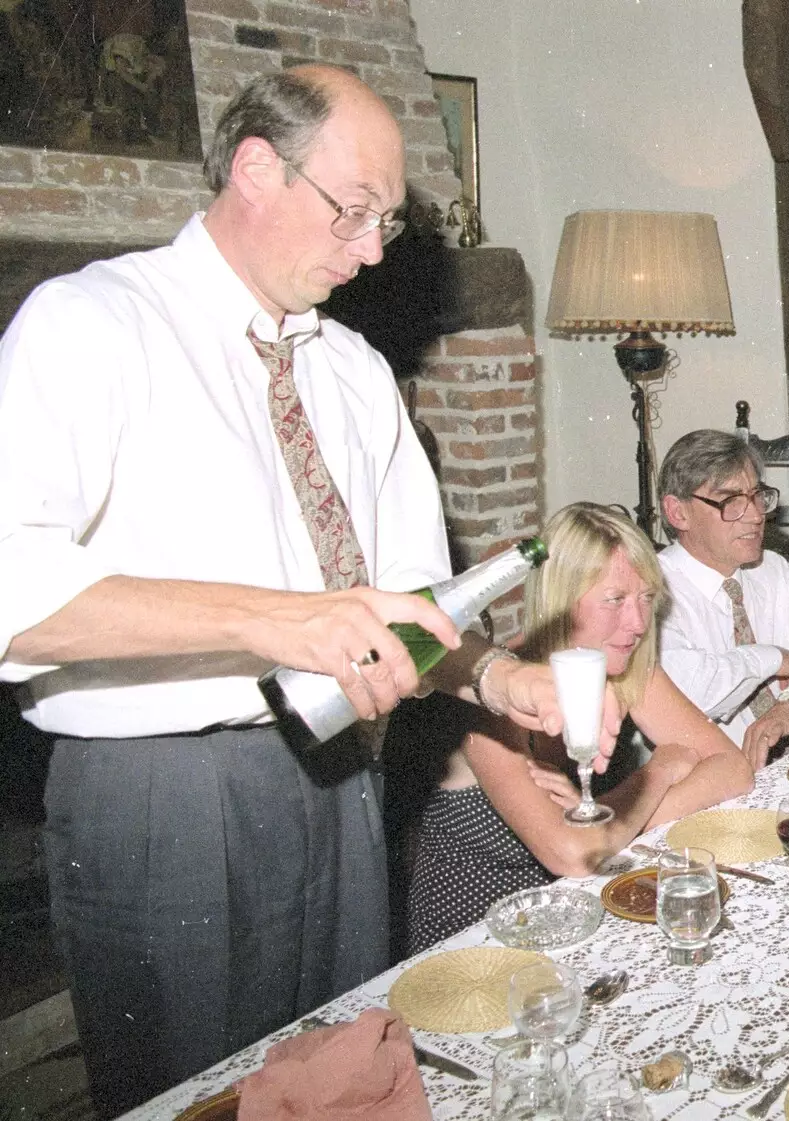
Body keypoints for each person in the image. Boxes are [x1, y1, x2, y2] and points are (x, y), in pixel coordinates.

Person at [0, 67, 612, 1114]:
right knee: (194, 1099)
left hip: (336, 781)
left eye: (388, 222)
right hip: (165, 800)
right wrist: (287, 620)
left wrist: (496, 674)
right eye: (355, 212)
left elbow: (410, 606)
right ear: (254, 169)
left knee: (339, 1082)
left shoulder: (352, 370)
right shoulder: (92, 324)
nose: (372, 249)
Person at [408, 503, 755, 952]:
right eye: (614, 600)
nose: (636, 623)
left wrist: (603, 816)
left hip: (573, 919)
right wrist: (660, 770)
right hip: (475, 942)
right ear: (561, 600)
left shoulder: (624, 663)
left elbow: (734, 768)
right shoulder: (498, 695)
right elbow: (573, 855)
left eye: (646, 598)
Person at [656, 430, 789, 769]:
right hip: (701, 790)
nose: (757, 515)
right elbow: (691, 692)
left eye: (757, 496)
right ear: (678, 513)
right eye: (731, 501)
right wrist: (772, 659)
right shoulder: (651, 589)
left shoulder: (770, 571)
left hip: (785, 774)